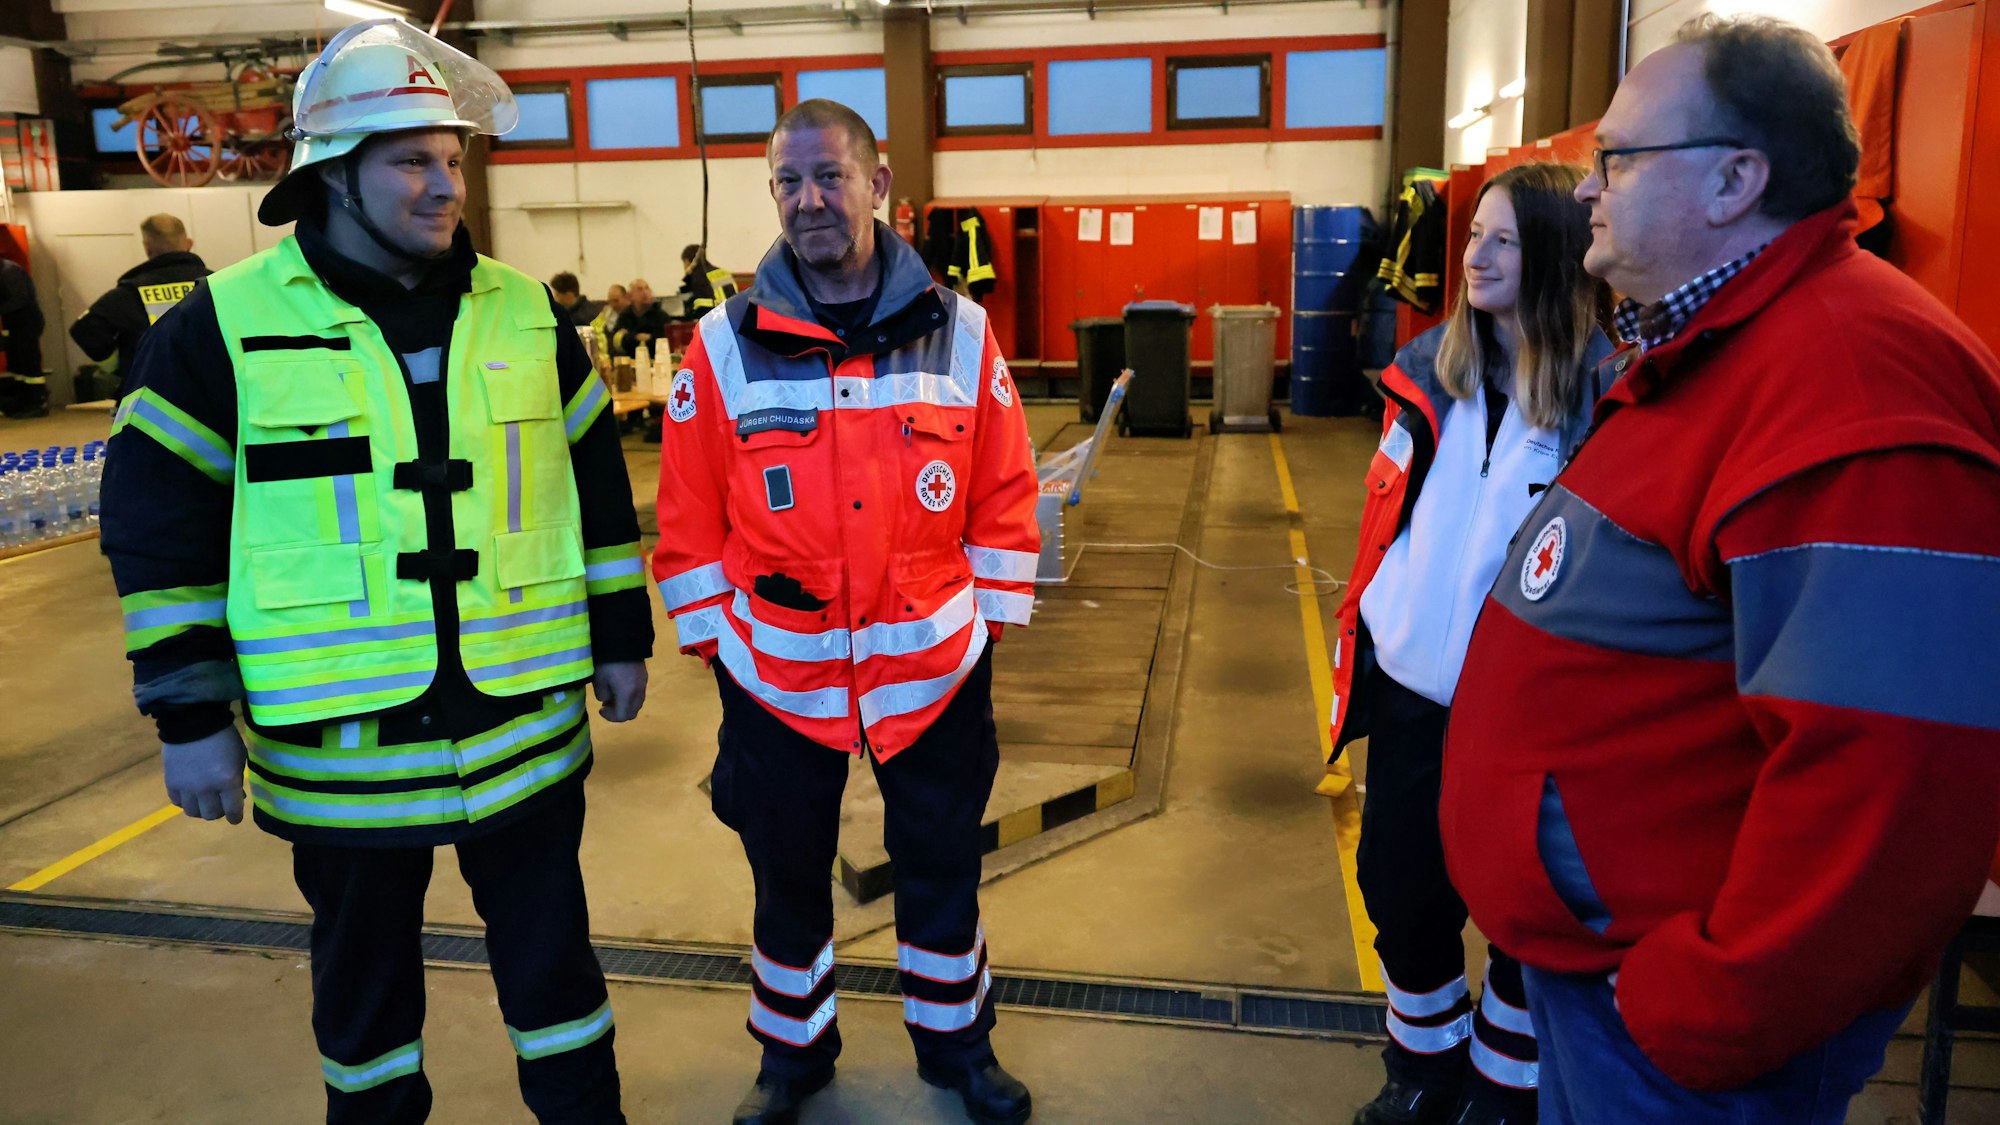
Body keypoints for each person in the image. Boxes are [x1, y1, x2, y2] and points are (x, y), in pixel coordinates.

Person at [1438, 15, 2000, 1124]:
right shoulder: (1719, 347)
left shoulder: (1852, 386)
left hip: (1681, 1037)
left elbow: (1895, 777)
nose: (1587, 189)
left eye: (1617, 158)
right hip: (1611, 980)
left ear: (1735, 180)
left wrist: (1704, 1008)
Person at [98, 20, 652, 1123]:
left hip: (526, 733)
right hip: (339, 755)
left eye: (452, 159)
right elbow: (159, 532)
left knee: (557, 978)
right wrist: (187, 714)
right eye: (411, 162)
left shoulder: (523, 310)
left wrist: (622, 636)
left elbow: (592, 483)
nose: (445, 185)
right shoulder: (219, 328)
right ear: (331, 176)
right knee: (366, 999)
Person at [652, 98, 1040, 1125]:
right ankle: (792, 1057)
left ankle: (957, 1049)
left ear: (878, 184)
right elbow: (686, 517)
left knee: (941, 868)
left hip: (933, 673)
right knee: (785, 877)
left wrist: (978, 632)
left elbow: (1005, 492)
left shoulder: (961, 332)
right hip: (778, 678)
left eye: (830, 176)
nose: (810, 200)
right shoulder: (722, 347)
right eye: (789, 181)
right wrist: (720, 647)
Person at [1333, 163, 1614, 1125]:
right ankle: (1424, 1066)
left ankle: (1504, 1088)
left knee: (1527, 908)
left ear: (1558, 257)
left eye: (1505, 240)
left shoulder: (1603, 401)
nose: (1474, 257)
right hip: (1414, 689)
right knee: (1400, 889)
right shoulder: (1427, 378)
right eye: (1473, 236)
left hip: (1528, 713)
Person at [69, 213, 210, 399]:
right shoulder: (215, 284)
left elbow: (84, 329)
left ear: (147, 247)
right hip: (211, 393)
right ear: (189, 244)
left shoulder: (130, 292)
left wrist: (121, 366)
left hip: (149, 397)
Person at [0, 255, 45, 417]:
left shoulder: (9, 271)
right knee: (17, 364)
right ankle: (23, 401)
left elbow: (19, 299)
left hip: (26, 322)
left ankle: (37, 402)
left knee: (29, 363)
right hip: (12, 323)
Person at [608, 277, 666, 358]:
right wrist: (637, 337)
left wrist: (629, 336)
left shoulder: (661, 316)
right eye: (640, 289)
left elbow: (661, 342)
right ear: (630, 296)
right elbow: (617, 342)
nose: (645, 292)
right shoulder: (625, 316)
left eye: (647, 288)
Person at [676, 243, 739, 318]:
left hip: (715, 318)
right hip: (733, 315)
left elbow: (700, 309)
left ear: (687, 261)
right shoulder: (723, 272)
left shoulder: (696, 277)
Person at [589, 282, 628, 361]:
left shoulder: (632, 315)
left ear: (626, 298)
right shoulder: (605, 312)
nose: (613, 305)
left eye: (616, 301)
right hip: (605, 357)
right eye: (610, 301)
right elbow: (594, 328)